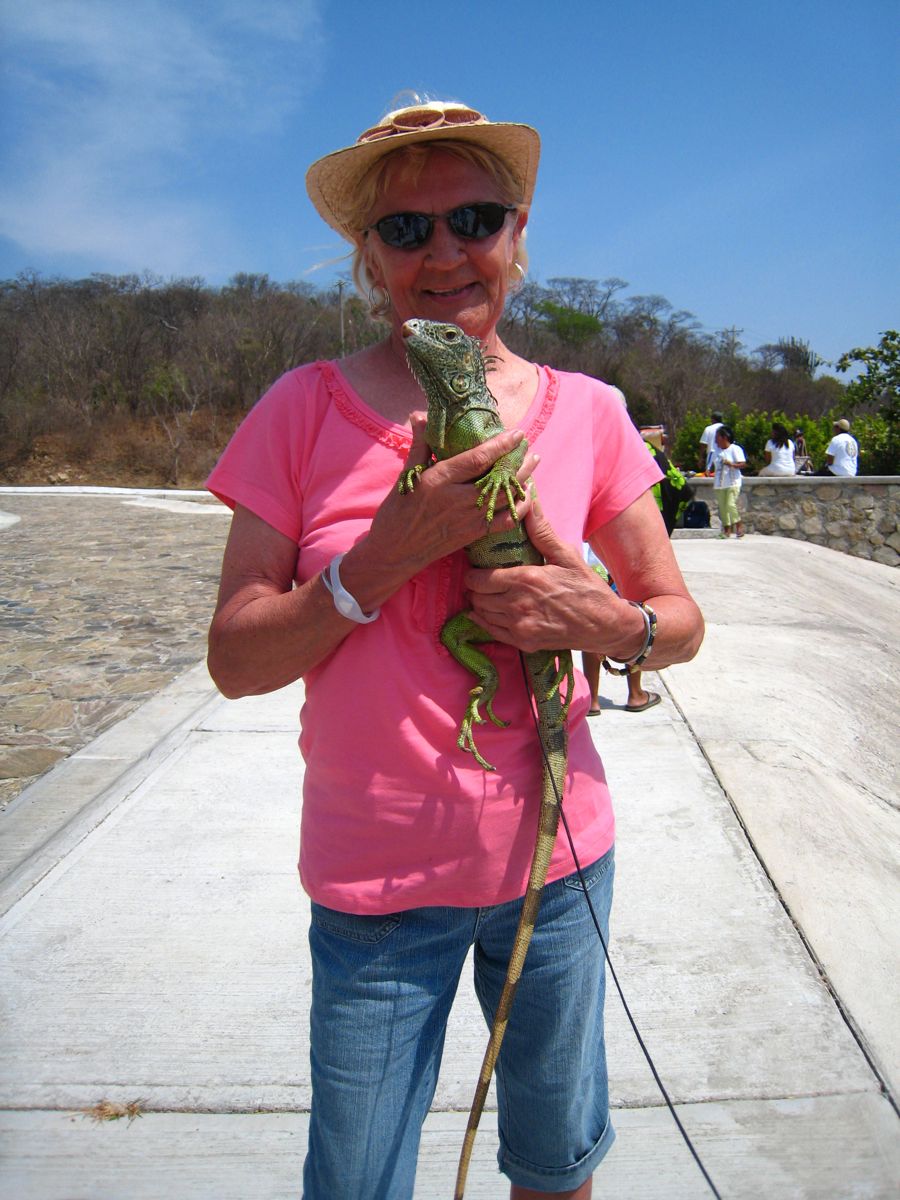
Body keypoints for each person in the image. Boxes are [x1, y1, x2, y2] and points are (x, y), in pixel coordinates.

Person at [206, 96, 704, 1200]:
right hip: (375, 886)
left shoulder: (588, 411)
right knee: (357, 1182)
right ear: (367, 260)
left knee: (554, 1161)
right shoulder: (300, 410)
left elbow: (677, 620)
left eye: (474, 218)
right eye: (405, 230)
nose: (444, 253)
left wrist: (608, 623)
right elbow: (235, 660)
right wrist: (378, 561)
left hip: (559, 866)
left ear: (518, 238)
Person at [713, 425, 747, 537]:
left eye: (718, 437)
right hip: (719, 483)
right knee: (723, 507)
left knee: (730, 504)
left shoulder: (735, 449)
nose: (716, 440)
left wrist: (731, 464)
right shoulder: (716, 451)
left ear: (724, 437)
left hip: (733, 482)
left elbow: (743, 464)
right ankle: (727, 529)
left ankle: (738, 524)